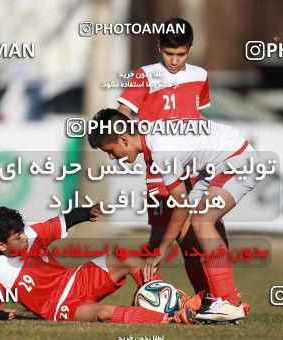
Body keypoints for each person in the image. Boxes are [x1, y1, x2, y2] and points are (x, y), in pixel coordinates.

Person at [89, 109, 256, 322]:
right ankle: (216, 300)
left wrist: (160, 251)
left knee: (201, 222)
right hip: (216, 165)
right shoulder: (153, 138)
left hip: (237, 160)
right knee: (190, 226)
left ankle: (228, 302)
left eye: (110, 151)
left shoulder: (160, 150)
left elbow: (181, 203)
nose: (112, 157)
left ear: (123, 139)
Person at [116, 17, 230, 304]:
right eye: (169, 53)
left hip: (195, 163)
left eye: (181, 53)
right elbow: (121, 115)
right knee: (163, 236)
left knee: (207, 228)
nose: (175, 60)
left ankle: (215, 296)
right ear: (159, 47)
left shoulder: (200, 76)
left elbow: (198, 115)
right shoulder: (145, 74)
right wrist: (120, 143)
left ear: (190, 49)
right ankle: (148, 294)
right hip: (161, 165)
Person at [0, 205, 199, 324]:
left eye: (23, 231)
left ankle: (174, 303)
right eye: (18, 237)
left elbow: (65, 220)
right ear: (2, 245)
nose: (25, 237)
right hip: (60, 307)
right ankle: (169, 317)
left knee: (126, 259)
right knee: (103, 313)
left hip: (75, 279)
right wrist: (0, 314)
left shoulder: (32, 235)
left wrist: (86, 212)